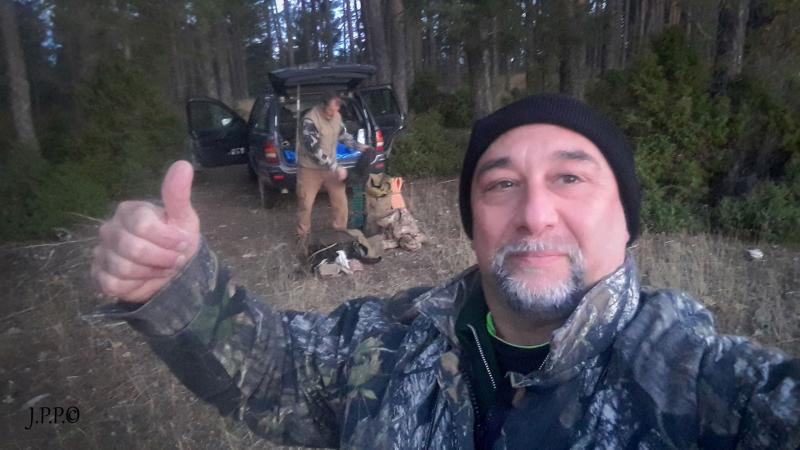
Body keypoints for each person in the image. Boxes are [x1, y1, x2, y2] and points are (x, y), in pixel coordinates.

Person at [90, 95, 800, 449]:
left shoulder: (706, 388)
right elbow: (273, 368)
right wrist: (177, 286)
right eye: (501, 185)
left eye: (571, 178)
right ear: (473, 224)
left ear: (627, 220)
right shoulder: (387, 341)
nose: (535, 214)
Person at [296, 91, 371, 238]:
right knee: (305, 203)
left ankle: (341, 231)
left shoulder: (337, 116)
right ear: (322, 105)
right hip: (309, 169)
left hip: (331, 169)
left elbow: (343, 136)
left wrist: (359, 146)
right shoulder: (310, 120)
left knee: (340, 201)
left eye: (336, 110)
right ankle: (303, 236)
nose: (333, 113)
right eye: (330, 110)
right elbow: (314, 150)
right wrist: (336, 167)